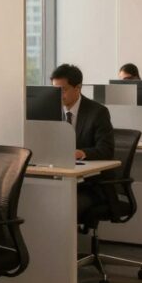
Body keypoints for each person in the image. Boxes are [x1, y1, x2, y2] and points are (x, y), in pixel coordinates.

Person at [50, 63, 114, 216]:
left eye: (63, 90)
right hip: (57, 178)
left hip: (89, 185)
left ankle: (65, 240)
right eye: (55, 90)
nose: (59, 95)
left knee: (62, 206)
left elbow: (106, 150)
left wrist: (81, 153)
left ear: (78, 87)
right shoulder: (49, 110)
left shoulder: (98, 112)